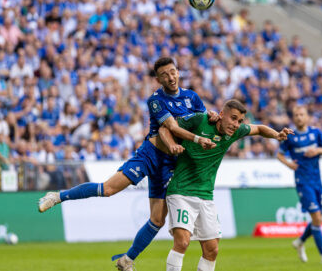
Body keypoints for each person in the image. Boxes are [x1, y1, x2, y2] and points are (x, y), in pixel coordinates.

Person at [38, 57, 217, 271]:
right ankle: (57, 196)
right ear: (158, 79)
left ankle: (126, 260)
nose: (170, 77)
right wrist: (198, 140)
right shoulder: (156, 100)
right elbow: (172, 127)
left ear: (178, 72)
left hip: (171, 163)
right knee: (108, 189)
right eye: (164, 75)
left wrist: (213, 117)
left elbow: (204, 121)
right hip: (150, 155)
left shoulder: (192, 97)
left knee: (157, 220)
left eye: (173, 72)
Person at [160, 99, 293, 271]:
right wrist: (172, 145)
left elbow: (259, 128)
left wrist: (276, 135)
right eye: (233, 118)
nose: (236, 124)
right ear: (221, 115)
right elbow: (166, 127)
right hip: (181, 191)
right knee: (183, 241)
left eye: (239, 121)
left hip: (206, 195)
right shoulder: (200, 120)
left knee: (212, 250)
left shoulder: (234, 133)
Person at [277, 105, 322, 265]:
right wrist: (289, 164)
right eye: (296, 115)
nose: (299, 117)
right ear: (293, 118)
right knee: (316, 217)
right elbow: (279, 155)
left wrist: (317, 151)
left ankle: (300, 242)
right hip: (302, 182)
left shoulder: (316, 133)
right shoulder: (291, 136)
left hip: (317, 181)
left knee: (318, 219)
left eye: (301, 114)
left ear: (307, 117)